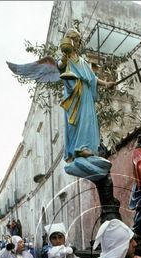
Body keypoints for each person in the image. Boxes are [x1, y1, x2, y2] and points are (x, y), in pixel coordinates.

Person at [7, 28, 121, 222]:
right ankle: (81, 149)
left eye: (77, 39)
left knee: (89, 124)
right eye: (74, 39)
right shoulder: (66, 59)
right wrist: (63, 57)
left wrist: (106, 84)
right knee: (79, 124)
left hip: (86, 98)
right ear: (69, 40)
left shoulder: (83, 61)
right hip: (75, 97)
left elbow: (92, 78)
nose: (76, 42)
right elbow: (60, 67)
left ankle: (88, 149)